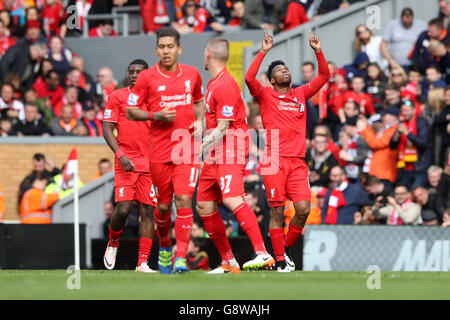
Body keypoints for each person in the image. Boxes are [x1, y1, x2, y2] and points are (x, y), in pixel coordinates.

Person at [245, 30, 329, 272]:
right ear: (271, 80)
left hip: (298, 162)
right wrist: (263, 51)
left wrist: (318, 51)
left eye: (286, 69)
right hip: (274, 160)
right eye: (278, 70)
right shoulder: (265, 95)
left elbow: (324, 75)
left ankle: (283, 249)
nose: (284, 70)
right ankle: (280, 261)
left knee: (303, 210)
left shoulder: (300, 94)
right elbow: (250, 79)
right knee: (277, 211)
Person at [192, 36, 274, 274]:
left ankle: (263, 253)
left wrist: (199, 148)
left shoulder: (225, 84)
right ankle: (229, 262)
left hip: (232, 146)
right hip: (217, 150)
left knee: (231, 199)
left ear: (208, 54)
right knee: (205, 206)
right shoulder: (215, 83)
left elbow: (224, 127)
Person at [126, 27, 203, 274]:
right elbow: (131, 111)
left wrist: (200, 120)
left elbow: (199, 100)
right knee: (162, 207)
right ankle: (166, 246)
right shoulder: (147, 78)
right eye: (162, 47)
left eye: (171, 46)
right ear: (156, 49)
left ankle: (180, 257)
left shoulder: (192, 74)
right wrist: (155, 114)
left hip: (186, 148)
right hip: (158, 151)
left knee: (183, 199)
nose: (166, 51)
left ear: (179, 49)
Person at [102, 59, 158, 273]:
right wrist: (120, 153)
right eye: (131, 71)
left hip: (149, 164)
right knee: (123, 209)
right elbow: (107, 129)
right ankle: (113, 242)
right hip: (125, 160)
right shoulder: (117, 96)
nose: (134, 75)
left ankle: (142, 263)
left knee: (148, 212)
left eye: (139, 72)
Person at [390, 100, 432, 190]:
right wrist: (397, 135)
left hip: (419, 167)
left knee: (416, 192)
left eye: (407, 110)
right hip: (404, 168)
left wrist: (407, 133)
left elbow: (423, 144)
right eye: (403, 110)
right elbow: (392, 146)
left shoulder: (422, 123)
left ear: (414, 110)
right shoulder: (401, 124)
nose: (405, 113)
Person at [359, 107, 399, 186]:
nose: (382, 118)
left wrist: (365, 128)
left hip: (385, 173)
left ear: (394, 116)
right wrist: (367, 126)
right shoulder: (386, 130)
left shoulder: (394, 130)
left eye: (385, 115)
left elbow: (374, 143)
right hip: (378, 172)